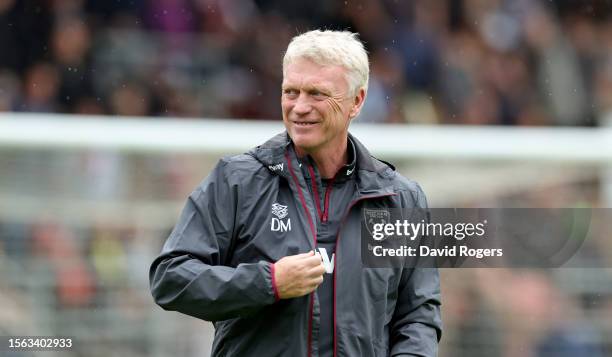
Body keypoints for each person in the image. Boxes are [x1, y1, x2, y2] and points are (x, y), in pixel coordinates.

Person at [149, 29, 442, 357]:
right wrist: (268, 282)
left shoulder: (400, 199)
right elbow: (170, 278)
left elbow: (418, 315)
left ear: (356, 101)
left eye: (317, 94)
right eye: (291, 92)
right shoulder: (236, 182)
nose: (300, 107)